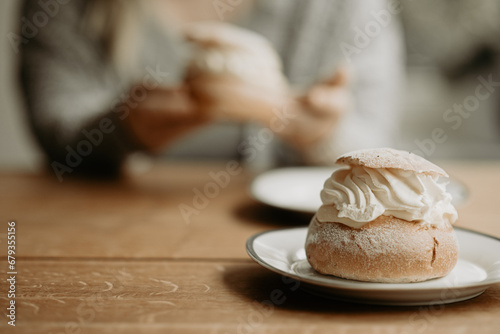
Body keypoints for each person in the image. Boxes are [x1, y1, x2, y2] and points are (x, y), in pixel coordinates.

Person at [19, 0, 404, 180]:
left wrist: (323, 135)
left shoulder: (342, 8)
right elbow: (55, 129)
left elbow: (379, 146)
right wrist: (122, 129)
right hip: (105, 234)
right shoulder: (70, 7)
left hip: (283, 243)